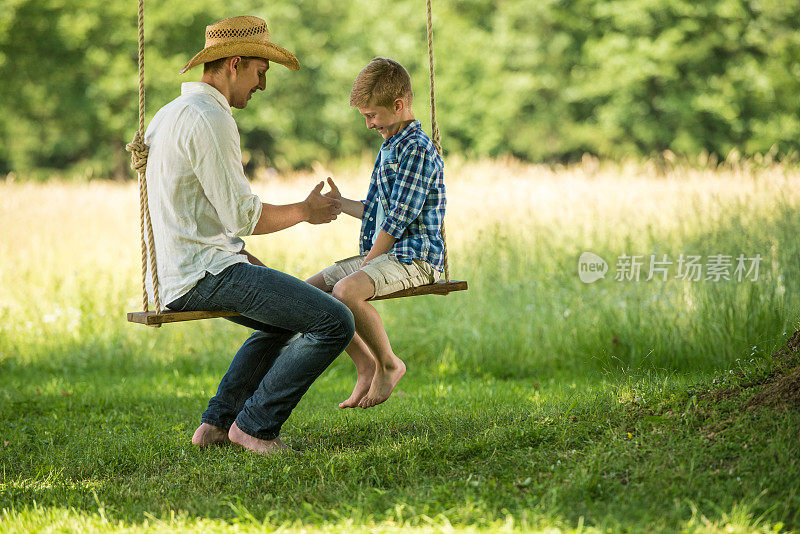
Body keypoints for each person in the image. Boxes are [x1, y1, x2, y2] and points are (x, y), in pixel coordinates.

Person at [143, 15, 354, 454]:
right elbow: (244, 217)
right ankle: (255, 427)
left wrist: (241, 258)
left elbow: (197, 212)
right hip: (203, 274)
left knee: (283, 320)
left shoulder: (169, 114)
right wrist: (305, 210)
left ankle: (217, 426)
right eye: (261, 72)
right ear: (234, 64)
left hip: (184, 270)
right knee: (334, 320)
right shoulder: (208, 117)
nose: (262, 86)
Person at [306, 58, 446, 409]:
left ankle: (388, 363)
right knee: (308, 292)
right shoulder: (391, 145)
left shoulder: (416, 148)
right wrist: (342, 204)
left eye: (372, 115)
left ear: (398, 106)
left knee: (346, 290)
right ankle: (365, 363)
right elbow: (378, 210)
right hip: (388, 254)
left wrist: (365, 266)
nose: (369, 124)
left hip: (416, 256)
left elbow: (397, 220)